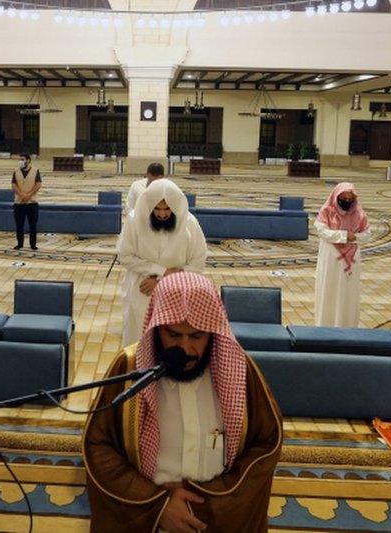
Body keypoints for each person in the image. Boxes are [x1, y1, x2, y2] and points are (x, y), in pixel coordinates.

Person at [83, 271, 282, 533]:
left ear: (212, 331)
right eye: (173, 335)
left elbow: (267, 443)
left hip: (215, 518)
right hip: (147, 518)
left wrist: (206, 503)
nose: (186, 349)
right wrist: (156, 504)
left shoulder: (241, 371)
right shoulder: (130, 368)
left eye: (197, 336)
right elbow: (98, 445)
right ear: (157, 328)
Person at [117, 178, 207, 347]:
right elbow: (125, 255)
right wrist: (162, 271)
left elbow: (198, 263)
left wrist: (162, 281)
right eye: (157, 208)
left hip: (177, 293)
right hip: (141, 291)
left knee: (170, 342)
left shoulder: (189, 223)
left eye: (167, 209)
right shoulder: (134, 220)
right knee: (139, 342)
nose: (162, 214)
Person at [314, 182, 371, 327]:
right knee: (329, 292)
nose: (346, 202)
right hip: (331, 258)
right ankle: (324, 327)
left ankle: (347, 328)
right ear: (336, 197)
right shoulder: (327, 211)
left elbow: (366, 234)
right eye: (343, 199)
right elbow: (322, 231)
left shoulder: (359, 214)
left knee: (348, 295)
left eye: (349, 199)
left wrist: (355, 237)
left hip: (351, 261)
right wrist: (345, 236)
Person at [11, 154, 41, 250]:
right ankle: (20, 243)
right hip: (19, 203)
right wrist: (21, 195)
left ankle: (33, 244)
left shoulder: (35, 171)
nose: (20, 161)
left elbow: (38, 184)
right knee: (19, 225)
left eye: (22, 159)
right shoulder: (16, 171)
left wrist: (28, 195)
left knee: (33, 225)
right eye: (20, 159)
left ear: (28, 160)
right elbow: (14, 185)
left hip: (32, 203)